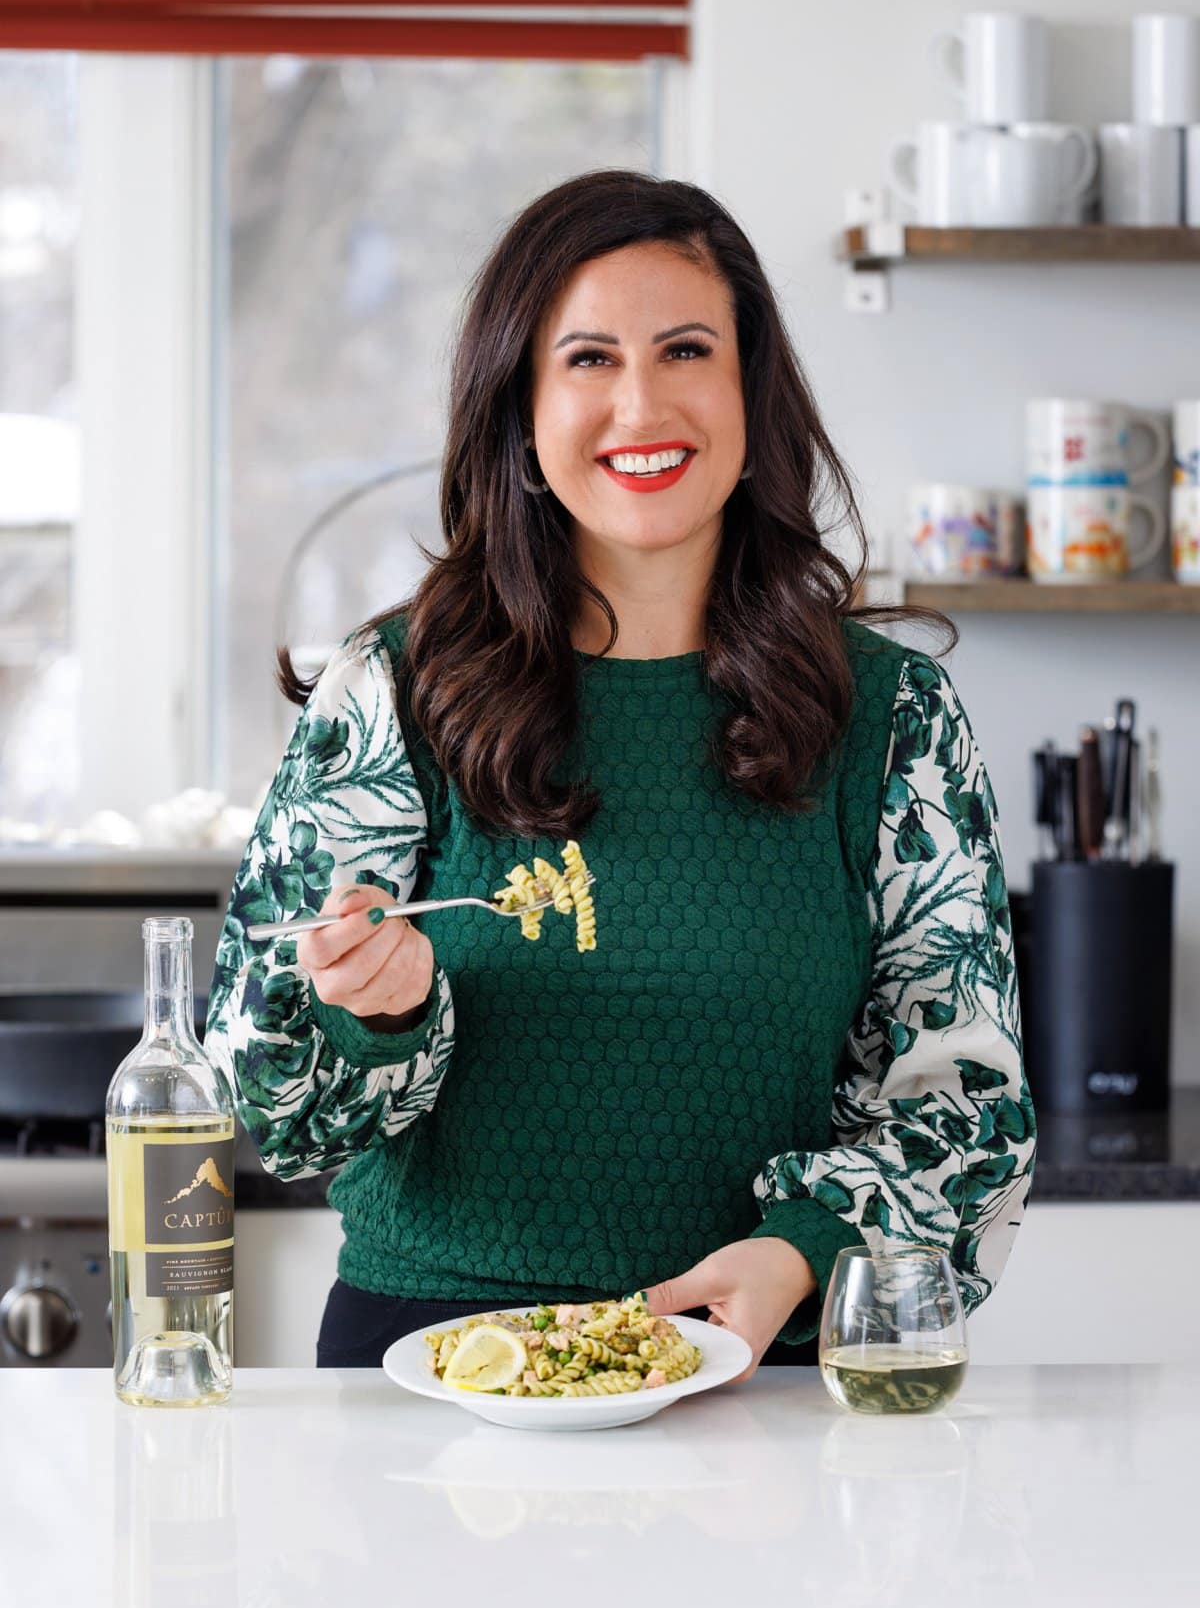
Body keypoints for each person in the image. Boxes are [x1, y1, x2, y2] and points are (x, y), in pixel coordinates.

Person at [204, 168, 1036, 1378]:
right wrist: (371, 1012)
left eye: (686, 349)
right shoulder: (390, 690)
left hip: (753, 1374)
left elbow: (969, 1103)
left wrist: (803, 1249)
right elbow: (271, 1104)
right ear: (523, 410)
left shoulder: (893, 717)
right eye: (588, 359)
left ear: (752, 390)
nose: (641, 404)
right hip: (434, 1375)